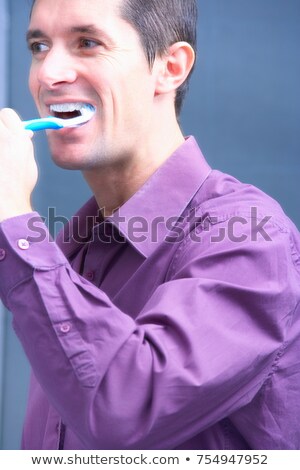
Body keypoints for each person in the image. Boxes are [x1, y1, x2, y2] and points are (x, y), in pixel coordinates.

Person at [0, 0, 299, 450]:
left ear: (170, 67)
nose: (47, 74)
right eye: (40, 46)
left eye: (87, 43)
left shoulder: (253, 238)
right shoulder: (62, 257)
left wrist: (11, 214)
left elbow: (121, 411)